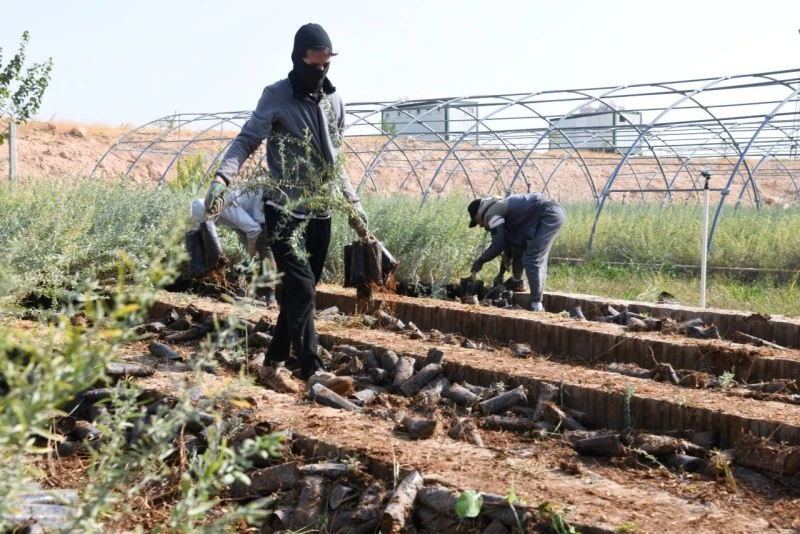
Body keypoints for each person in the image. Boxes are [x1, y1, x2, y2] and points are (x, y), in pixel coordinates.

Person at [203, 23, 368, 394]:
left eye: (327, 64)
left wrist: (354, 206)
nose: (321, 71)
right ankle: (313, 370)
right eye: (315, 64)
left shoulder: (334, 101)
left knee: (297, 294)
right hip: (284, 213)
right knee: (304, 288)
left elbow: (335, 163)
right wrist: (222, 178)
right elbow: (246, 140)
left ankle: (272, 364)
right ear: (298, 59)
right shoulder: (276, 96)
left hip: (320, 213)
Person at [468, 193, 565, 312]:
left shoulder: (491, 214)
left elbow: (498, 245)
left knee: (533, 258)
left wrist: (481, 260)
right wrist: (501, 273)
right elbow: (510, 246)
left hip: (547, 214)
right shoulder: (500, 208)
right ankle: (517, 281)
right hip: (546, 212)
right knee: (520, 247)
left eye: (476, 221)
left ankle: (536, 306)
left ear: (477, 214)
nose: (480, 226)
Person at [190, 188, 277, 305]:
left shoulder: (223, 207)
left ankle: (268, 297)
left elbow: (254, 230)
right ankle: (261, 294)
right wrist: (245, 260)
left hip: (267, 209)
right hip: (264, 207)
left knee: (264, 247)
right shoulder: (216, 206)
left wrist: (249, 255)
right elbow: (244, 233)